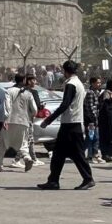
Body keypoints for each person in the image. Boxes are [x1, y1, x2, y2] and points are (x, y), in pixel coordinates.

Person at [37, 60, 95, 190]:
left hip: (70, 124)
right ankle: (53, 180)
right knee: (58, 153)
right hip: (72, 123)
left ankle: (88, 178)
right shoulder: (79, 83)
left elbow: (65, 104)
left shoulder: (71, 84)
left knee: (77, 154)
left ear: (65, 71)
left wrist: (49, 120)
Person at [0, 73, 38, 172]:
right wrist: (30, 115)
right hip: (24, 122)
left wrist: (5, 119)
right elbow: (34, 110)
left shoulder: (9, 91)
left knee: (2, 143)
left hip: (10, 122)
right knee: (22, 144)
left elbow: (7, 106)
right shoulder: (28, 93)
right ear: (24, 80)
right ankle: (27, 158)